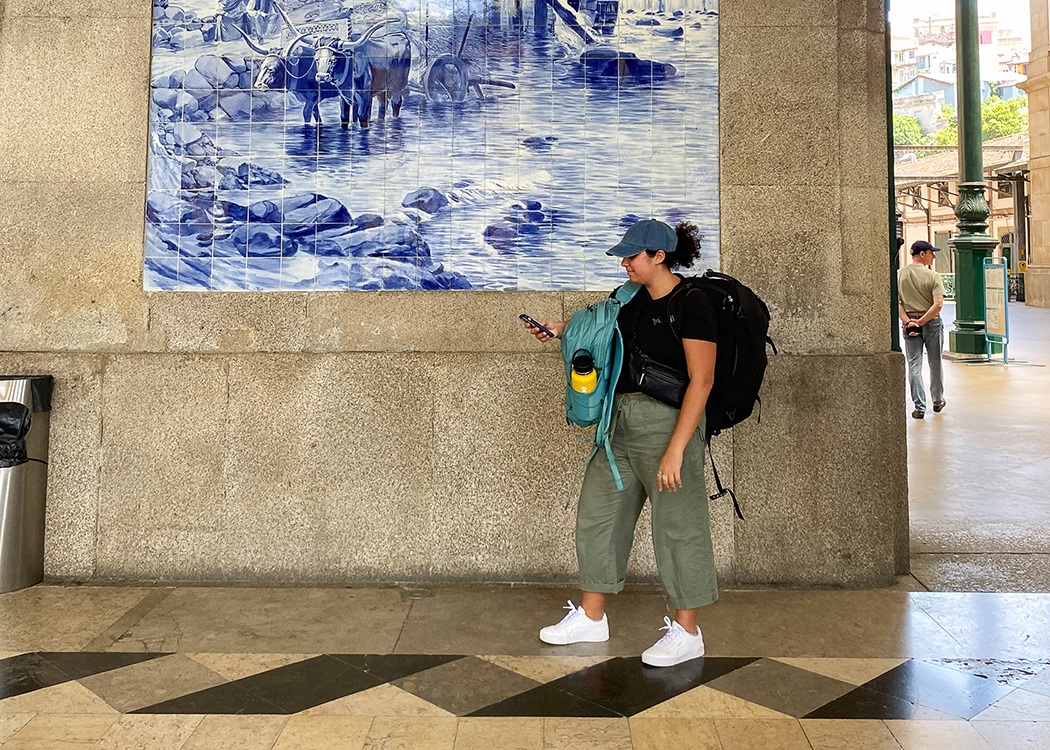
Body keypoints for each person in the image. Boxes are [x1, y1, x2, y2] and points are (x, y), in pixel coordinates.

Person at [523, 218, 719, 668]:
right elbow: (599, 331)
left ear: (659, 256)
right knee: (598, 517)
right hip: (619, 422)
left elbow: (703, 380)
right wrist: (558, 328)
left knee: (678, 527)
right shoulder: (629, 298)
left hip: (669, 424)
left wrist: (676, 448)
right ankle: (592, 619)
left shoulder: (693, 303)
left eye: (632, 256)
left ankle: (688, 632)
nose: (625, 263)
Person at [898, 240, 946, 419]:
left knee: (914, 366)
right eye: (931, 252)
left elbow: (896, 302)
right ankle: (937, 401)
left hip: (910, 324)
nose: (933, 256)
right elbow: (938, 304)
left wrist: (909, 321)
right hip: (932, 322)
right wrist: (922, 321)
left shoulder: (899, 275)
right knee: (935, 363)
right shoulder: (933, 276)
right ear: (922, 254)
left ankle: (919, 407)